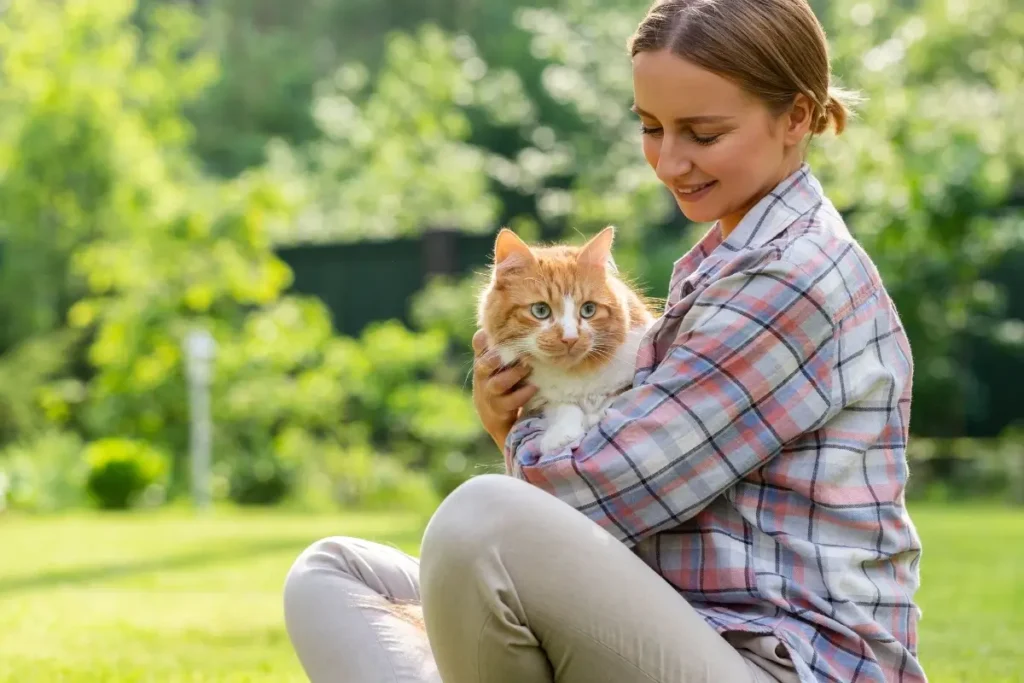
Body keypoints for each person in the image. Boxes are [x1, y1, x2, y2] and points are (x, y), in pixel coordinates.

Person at [282, 0, 927, 681]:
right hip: (682, 623)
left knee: (481, 518)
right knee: (333, 573)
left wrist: (510, 429)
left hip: (778, 660)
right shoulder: (728, 258)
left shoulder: (795, 280)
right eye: (651, 127)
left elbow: (603, 491)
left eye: (702, 134)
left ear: (796, 117)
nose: (669, 161)